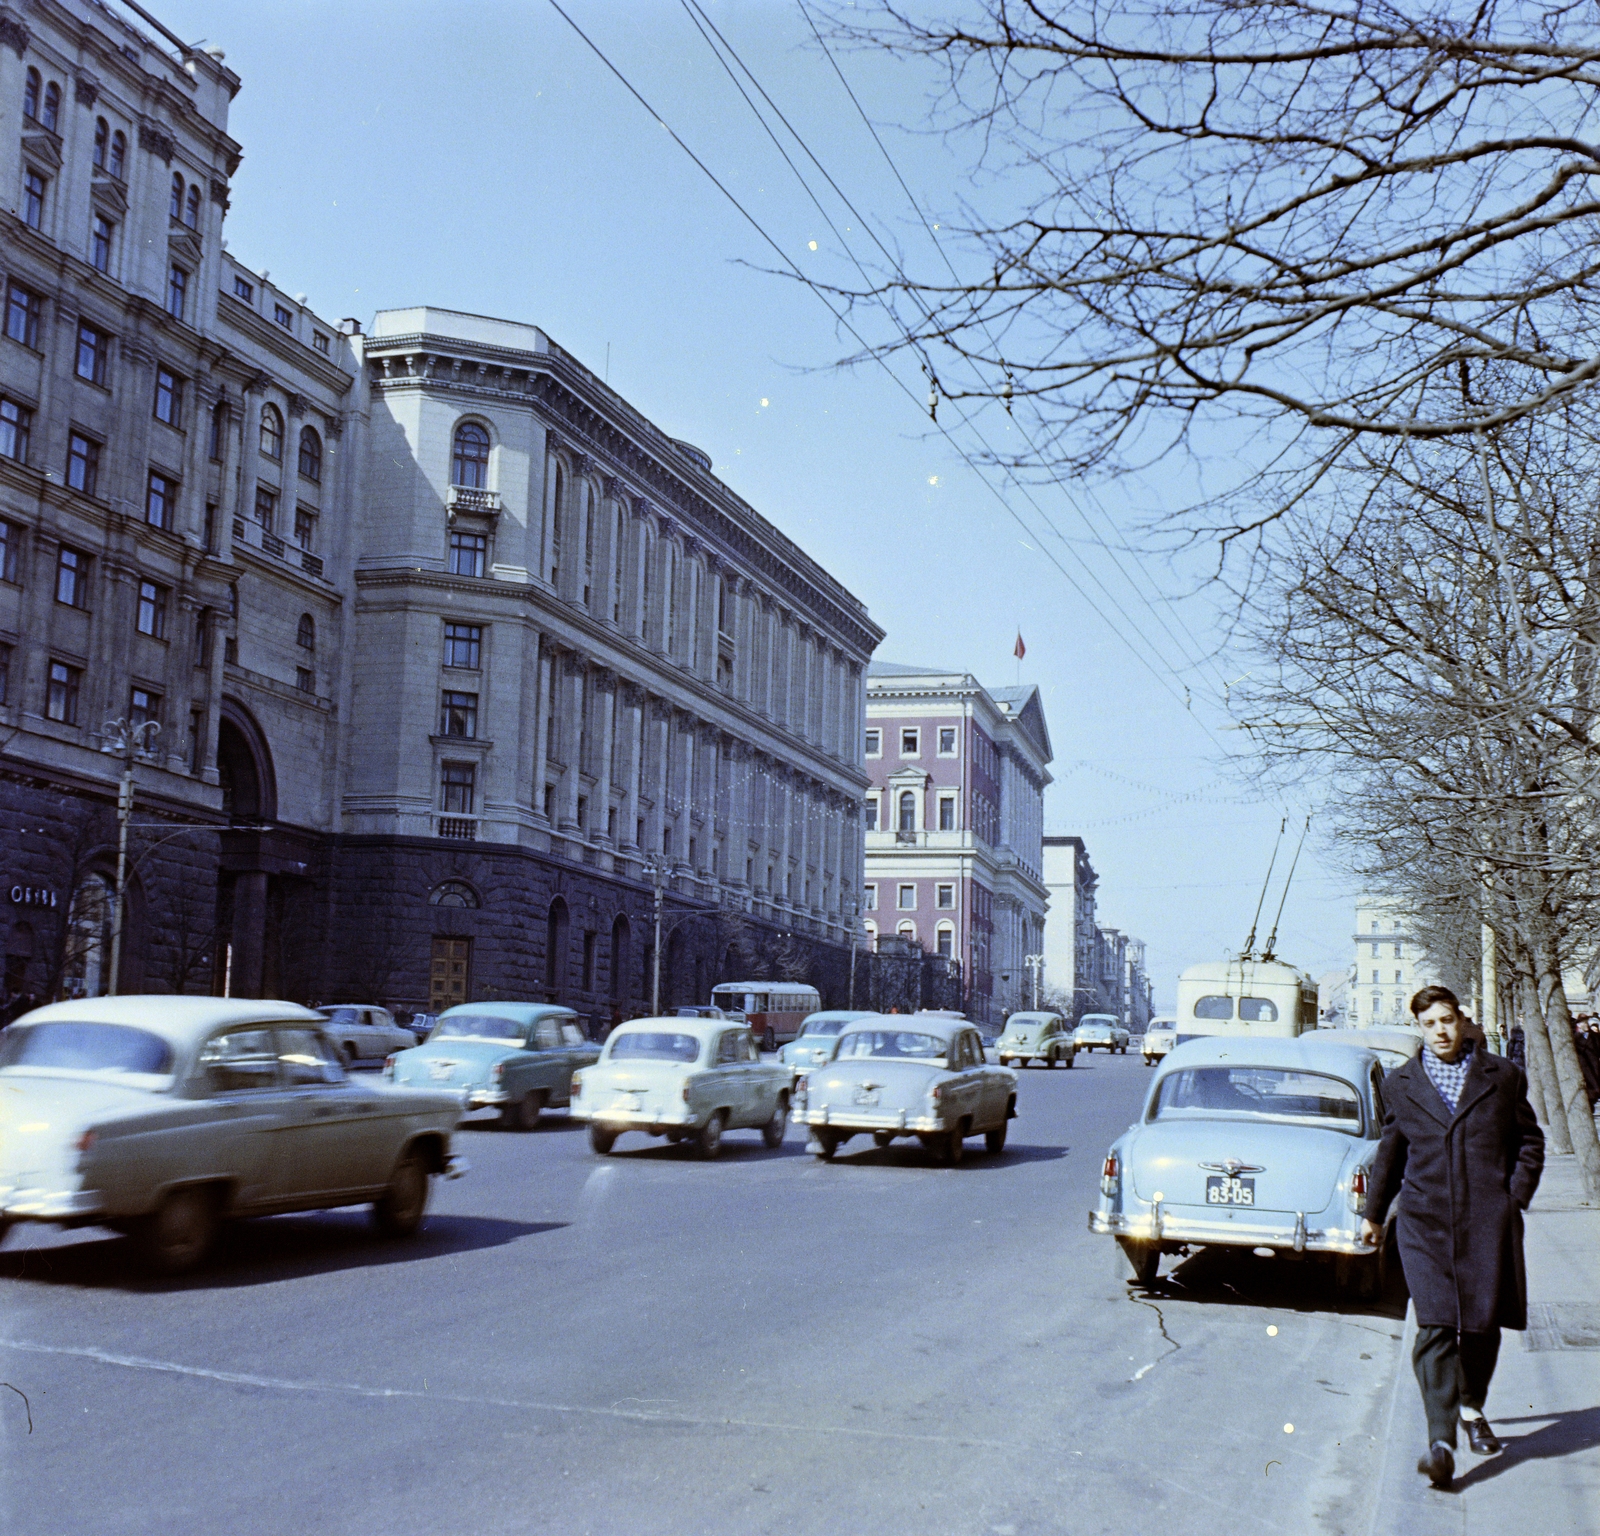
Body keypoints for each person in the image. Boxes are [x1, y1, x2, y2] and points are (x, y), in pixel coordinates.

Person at [1363, 984, 1544, 1489]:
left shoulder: (1502, 1076)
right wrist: (1374, 1215)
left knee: (1482, 1327)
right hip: (1424, 1222)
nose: (1440, 1031)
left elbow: (1529, 1141)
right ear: (1419, 1028)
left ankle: (1470, 1405)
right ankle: (1440, 1441)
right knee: (1437, 1325)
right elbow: (1390, 1153)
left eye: (1447, 1020)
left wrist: (1514, 1197)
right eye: (1429, 1024)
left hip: (1487, 1220)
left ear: (1461, 1021)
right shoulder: (1401, 1083)